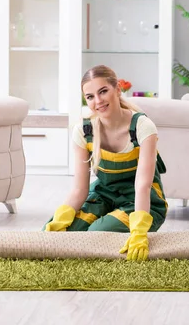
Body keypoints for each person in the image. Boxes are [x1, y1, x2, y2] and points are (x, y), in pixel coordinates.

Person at [43, 65, 168, 261]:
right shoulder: (84, 132)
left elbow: (142, 187)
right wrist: (59, 220)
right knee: (61, 233)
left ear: (117, 89)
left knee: (96, 233)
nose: (98, 101)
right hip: (103, 196)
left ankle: (117, 223)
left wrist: (139, 231)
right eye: (90, 96)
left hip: (141, 201)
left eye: (103, 91)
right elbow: (79, 190)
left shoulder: (143, 127)